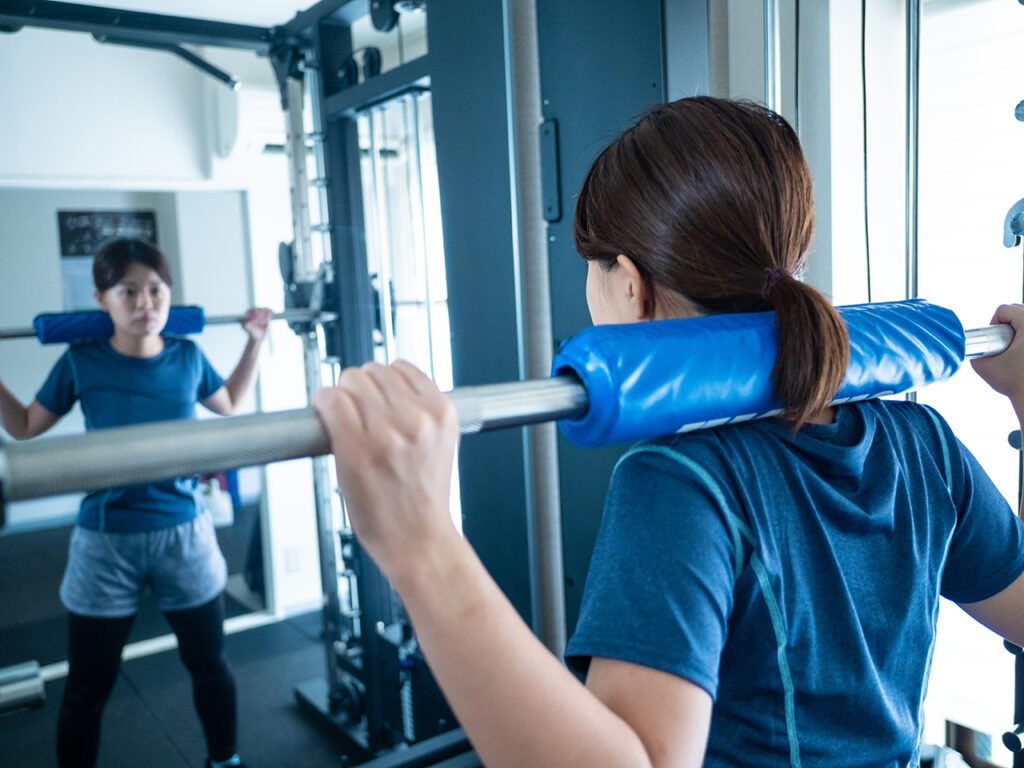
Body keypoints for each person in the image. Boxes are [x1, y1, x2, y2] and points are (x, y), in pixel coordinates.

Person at [312, 96, 1024, 768]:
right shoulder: (921, 442)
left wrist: (420, 544)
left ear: (628, 281)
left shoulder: (683, 482)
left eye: (593, 266)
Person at [0, 237, 270, 768]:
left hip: (185, 533)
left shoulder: (187, 355)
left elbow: (231, 403)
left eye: (156, 289)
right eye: (129, 291)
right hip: (106, 540)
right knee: (88, 687)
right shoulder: (82, 360)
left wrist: (255, 342)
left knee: (209, 663)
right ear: (102, 300)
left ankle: (226, 761)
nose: (146, 303)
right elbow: (25, 426)